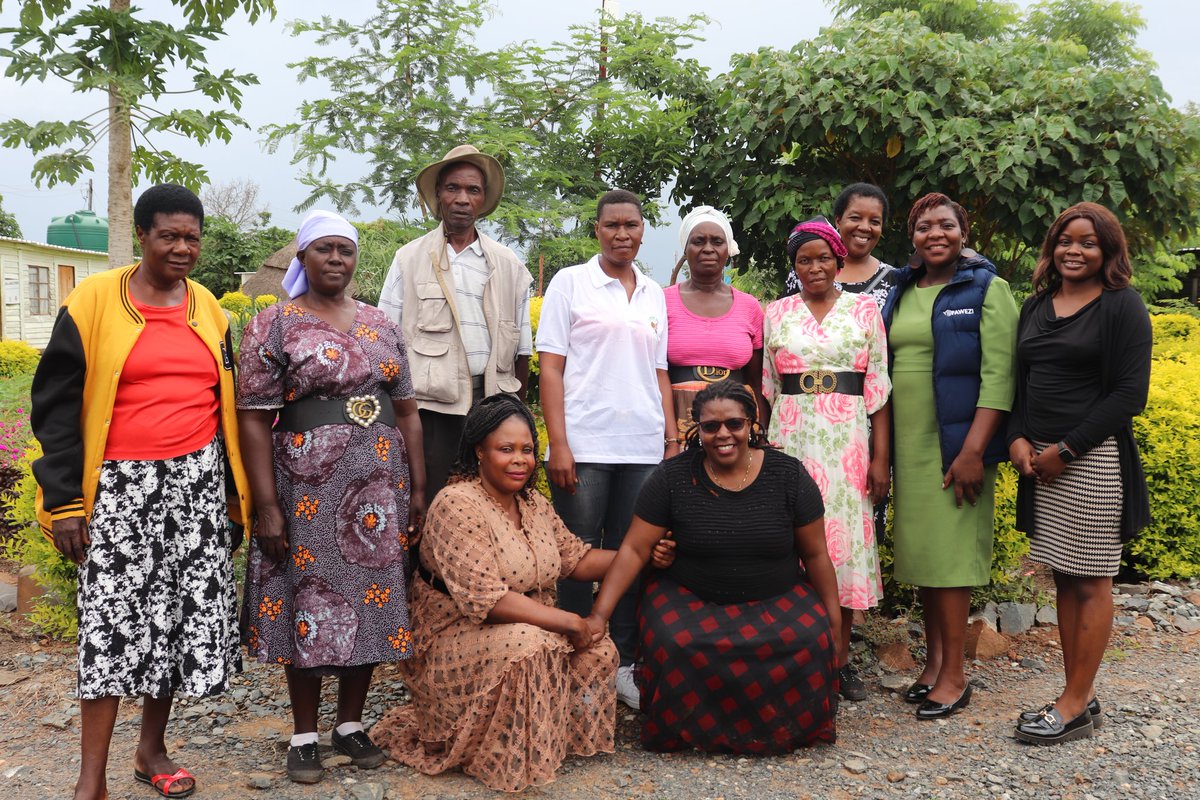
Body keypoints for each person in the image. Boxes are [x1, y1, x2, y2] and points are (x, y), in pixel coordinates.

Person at [31, 184, 251, 800]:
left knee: (179, 623)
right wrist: (67, 501)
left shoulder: (209, 308)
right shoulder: (94, 300)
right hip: (121, 487)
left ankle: (151, 750)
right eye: (169, 236)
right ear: (144, 235)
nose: (183, 248)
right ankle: (91, 778)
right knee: (109, 627)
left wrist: (233, 501)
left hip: (197, 485)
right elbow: (53, 406)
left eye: (192, 237)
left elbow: (225, 405)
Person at [371, 394, 671, 791]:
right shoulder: (456, 504)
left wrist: (642, 554)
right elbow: (487, 600)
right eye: (506, 449)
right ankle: (487, 747)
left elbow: (576, 561)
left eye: (527, 450)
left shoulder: (532, 502)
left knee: (597, 649)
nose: (520, 460)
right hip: (451, 634)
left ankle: (541, 738)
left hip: (523, 622)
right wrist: (569, 620)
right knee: (531, 643)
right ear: (479, 451)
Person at [237, 210, 426, 784]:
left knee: (371, 600)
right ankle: (303, 734)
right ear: (302, 259)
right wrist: (265, 504)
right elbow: (252, 419)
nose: (336, 259)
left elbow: (408, 412)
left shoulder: (380, 322)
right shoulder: (273, 324)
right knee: (310, 603)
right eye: (324, 249)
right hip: (307, 492)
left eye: (345, 250)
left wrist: (417, 488)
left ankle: (349, 724)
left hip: (378, 489)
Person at [585, 380, 840, 752]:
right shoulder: (672, 478)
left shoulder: (789, 475)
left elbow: (816, 555)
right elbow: (634, 550)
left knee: (807, 638)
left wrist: (832, 621)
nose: (723, 434)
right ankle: (689, 731)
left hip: (775, 594)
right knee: (676, 642)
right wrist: (598, 615)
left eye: (734, 424)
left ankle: (777, 727)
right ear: (697, 428)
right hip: (691, 595)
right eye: (710, 426)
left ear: (752, 424)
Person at [1008, 203, 1151, 744]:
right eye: (1066, 240)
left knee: (1091, 579)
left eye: (1088, 242)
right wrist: (1018, 438)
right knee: (1065, 577)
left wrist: (1066, 449)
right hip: (1040, 459)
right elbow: (1022, 383)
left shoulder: (1122, 306)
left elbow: (1128, 396)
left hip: (1088, 460)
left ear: (1108, 251)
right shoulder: (1037, 305)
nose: (1074, 250)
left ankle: (1071, 704)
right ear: (1053, 245)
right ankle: (1079, 696)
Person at [536, 188, 678, 708]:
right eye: (612, 225)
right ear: (596, 230)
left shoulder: (654, 293)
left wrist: (669, 437)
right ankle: (572, 660)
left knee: (629, 555)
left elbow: (659, 370)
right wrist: (559, 443)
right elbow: (550, 366)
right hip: (587, 443)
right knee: (575, 556)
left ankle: (620, 661)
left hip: (641, 446)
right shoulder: (571, 282)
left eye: (632, 225)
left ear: (643, 231)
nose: (623, 234)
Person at [879, 193, 1018, 719]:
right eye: (923, 227)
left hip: (957, 443)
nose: (934, 234)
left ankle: (956, 676)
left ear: (963, 232)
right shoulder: (903, 288)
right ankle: (935, 665)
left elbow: (1000, 375)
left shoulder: (987, 288)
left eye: (946, 225)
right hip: (909, 443)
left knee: (951, 562)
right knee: (923, 558)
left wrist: (973, 450)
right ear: (912, 236)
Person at [763, 217, 892, 702]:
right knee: (789, 543)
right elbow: (766, 390)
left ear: (839, 261)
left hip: (847, 444)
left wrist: (881, 459)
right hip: (791, 440)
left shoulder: (864, 310)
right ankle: (792, 658)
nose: (813, 267)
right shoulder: (775, 312)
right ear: (794, 266)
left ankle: (837, 663)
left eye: (822, 258)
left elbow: (878, 388)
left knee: (842, 549)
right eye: (803, 260)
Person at [378, 144, 533, 500]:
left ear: (482, 199)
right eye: (453, 188)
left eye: (473, 190)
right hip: (430, 411)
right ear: (438, 195)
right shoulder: (409, 259)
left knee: (490, 503)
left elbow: (522, 349)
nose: (462, 198)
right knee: (430, 499)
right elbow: (384, 341)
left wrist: (517, 415)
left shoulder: (508, 265)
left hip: (493, 406)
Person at [665, 205, 767, 432]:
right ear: (686, 248)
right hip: (676, 422)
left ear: (728, 249)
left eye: (717, 242)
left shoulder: (749, 307)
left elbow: (758, 383)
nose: (708, 248)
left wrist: (761, 431)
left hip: (734, 425)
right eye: (699, 241)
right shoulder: (661, 302)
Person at [783, 183, 899, 307]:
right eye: (855, 218)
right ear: (838, 221)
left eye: (875, 222)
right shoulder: (805, 271)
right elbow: (782, 318)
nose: (865, 227)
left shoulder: (893, 279)